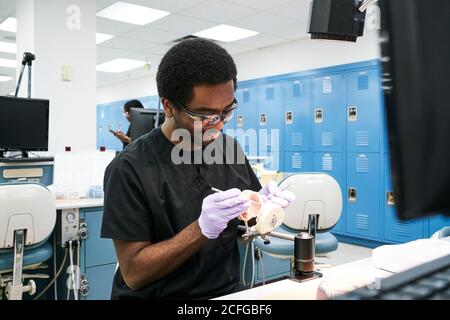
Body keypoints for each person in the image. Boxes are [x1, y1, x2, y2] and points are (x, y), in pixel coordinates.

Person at [101, 38, 295, 299]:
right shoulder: (129, 169)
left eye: (226, 112)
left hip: (225, 293)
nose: (218, 125)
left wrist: (261, 212)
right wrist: (200, 229)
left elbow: (243, 228)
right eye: (203, 116)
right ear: (168, 106)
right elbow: (134, 274)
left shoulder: (229, 150)